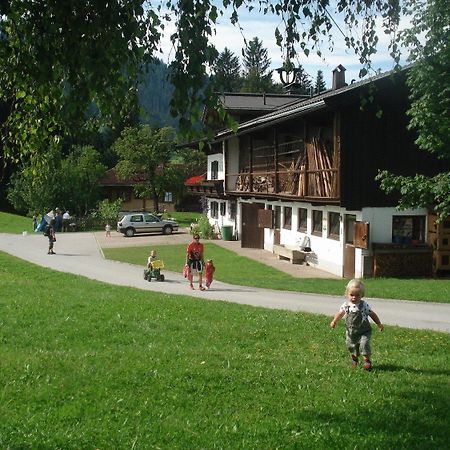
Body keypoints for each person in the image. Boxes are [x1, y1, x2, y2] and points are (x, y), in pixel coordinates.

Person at [330, 279, 384, 371]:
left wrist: (378, 323)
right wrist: (334, 321)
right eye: (352, 295)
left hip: (364, 331)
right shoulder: (346, 305)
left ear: (362, 295)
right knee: (351, 346)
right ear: (347, 294)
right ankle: (354, 359)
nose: (354, 297)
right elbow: (340, 313)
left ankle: (367, 361)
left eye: (357, 295)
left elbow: (372, 314)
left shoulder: (364, 305)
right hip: (351, 332)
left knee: (364, 344)